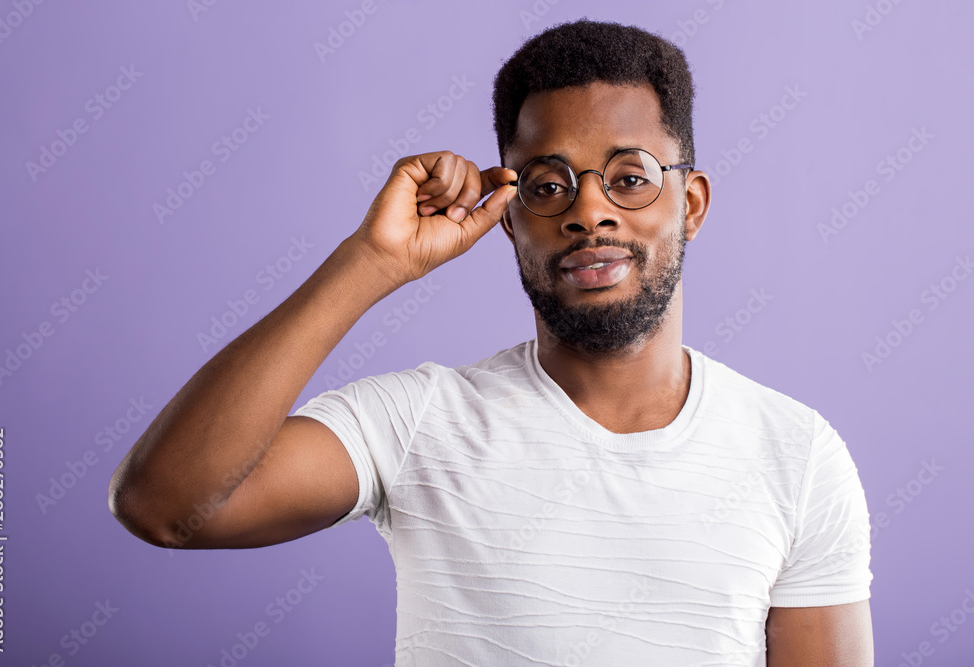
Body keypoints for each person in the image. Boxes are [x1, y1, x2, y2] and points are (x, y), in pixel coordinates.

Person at [109, 18, 874, 666]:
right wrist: (372, 262)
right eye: (547, 185)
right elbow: (165, 503)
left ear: (692, 202)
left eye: (630, 176)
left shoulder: (796, 453)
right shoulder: (420, 424)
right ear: (507, 217)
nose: (589, 212)